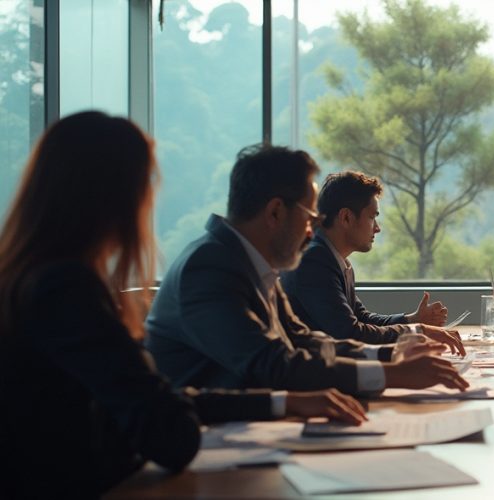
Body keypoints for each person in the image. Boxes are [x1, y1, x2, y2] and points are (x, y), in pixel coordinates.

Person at [0, 112, 367, 497]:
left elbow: (167, 397)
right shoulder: (66, 289)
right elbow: (170, 432)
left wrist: (284, 402)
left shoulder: (34, 278)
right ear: (115, 198)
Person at [146, 144, 468, 394]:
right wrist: (391, 373)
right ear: (275, 212)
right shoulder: (210, 266)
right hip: (208, 439)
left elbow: (302, 340)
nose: (312, 232)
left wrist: (389, 357)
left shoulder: (249, 262)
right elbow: (273, 364)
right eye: (310, 219)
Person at [282, 171, 461, 349]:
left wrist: (411, 320)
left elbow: (362, 318)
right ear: (346, 217)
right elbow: (351, 333)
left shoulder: (336, 260)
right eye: (372, 217)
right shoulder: (313, 262)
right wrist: (417, 330)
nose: (377, 228)